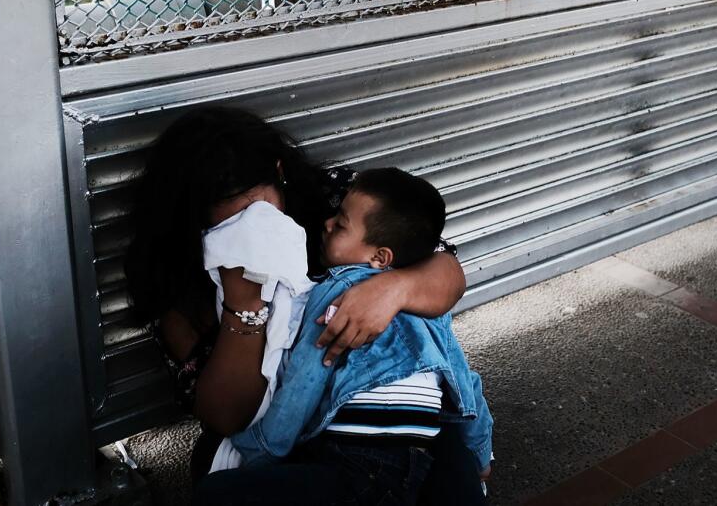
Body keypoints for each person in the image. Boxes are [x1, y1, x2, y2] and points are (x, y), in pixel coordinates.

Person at [124, 107, 484, 503]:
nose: (254, 228)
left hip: (391, 425)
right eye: (232, 223)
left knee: (449, 470)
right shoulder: (180, 281)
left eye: (259, 209)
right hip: (293, 428)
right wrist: (245, 308)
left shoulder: (333, 204)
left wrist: (393, 288)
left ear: (279, 173)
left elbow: (446, 273)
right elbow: (229, 415)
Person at [194, 168, 492, 506]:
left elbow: (304, 382)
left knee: (216, 494)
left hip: (360, 465)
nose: (328, 223)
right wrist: (481, 456)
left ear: (380, 256)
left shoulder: (334, 293)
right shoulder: (430, 310)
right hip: (419, 456)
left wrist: (263, 448)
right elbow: (465, 385)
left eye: (341, 223)